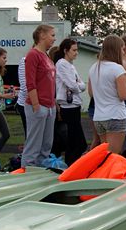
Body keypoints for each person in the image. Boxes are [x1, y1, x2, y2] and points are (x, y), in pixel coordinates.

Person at [21, 24, 58, 167]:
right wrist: (36, 105)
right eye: (52, 35)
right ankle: (26, 175)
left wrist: (53, 103)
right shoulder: (33, 55)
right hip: (38, 106)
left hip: (49, 106)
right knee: (33, 146)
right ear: (42, 35)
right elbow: (30, 82)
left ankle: (41, 173)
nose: (54, 39)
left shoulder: (46, 56)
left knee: (46, 145)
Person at [89, 35, 126, 153]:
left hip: (99, 117)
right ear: (116, 49)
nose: (123, 51)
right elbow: (123, 95)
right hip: (116, 115)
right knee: (113, 156)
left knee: (104, 153)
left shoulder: (94, 67)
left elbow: (91, 93)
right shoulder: (118, 69)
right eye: (122, 48)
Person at [53, 38, 87, 165]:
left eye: (77, 50)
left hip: (75, 104)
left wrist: (78, 86)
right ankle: (71, 163)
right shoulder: (61, 64)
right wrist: (78, 86)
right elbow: (73, 85)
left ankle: (71, 163)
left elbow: (82, 85)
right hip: (68, 106)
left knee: (74, 140)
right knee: (78, 141)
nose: (76, 52)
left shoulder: (71, 65)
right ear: (65, 50)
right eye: (74, 50)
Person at [16, 55, 28, 136]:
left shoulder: (45, 59)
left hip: (38, 103)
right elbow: (24, 86)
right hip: (26, 103)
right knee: (30, 134)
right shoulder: (25, 60)